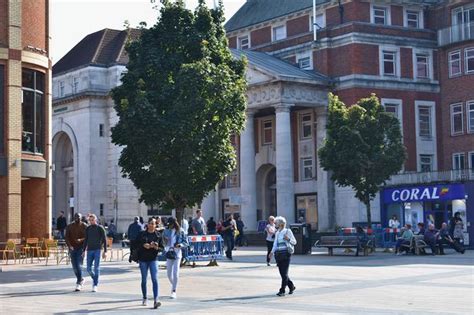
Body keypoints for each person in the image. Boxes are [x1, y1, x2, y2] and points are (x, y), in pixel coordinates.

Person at [137, 218, 163, 309]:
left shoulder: (158, 235)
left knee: (155, 279)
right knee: (144, 279)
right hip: (143, 259)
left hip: (153, 259)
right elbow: (136, 244)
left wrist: (156, 248)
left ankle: (156, 300)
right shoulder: (142, 234)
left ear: (156, 225)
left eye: (153, 223)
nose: (152, 225)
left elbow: (162, 248)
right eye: (150, 223)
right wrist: (144, 245)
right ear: (147, 224)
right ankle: (144, 297)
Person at [268, 216, 297, 297]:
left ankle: (282, 290)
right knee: (283, 274)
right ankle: (291, 286)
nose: (275, 224)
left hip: (286, 254)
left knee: (284, 274)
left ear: (281, 224)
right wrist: (271, 252)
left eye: (276, 223)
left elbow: (294, 242)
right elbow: (275, 244)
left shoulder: (287, 231)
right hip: (278, 255)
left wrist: (288, 239)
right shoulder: (277, 233)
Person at [163, 217, 188, 299]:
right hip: (169, 252)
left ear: (173, 224)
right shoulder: (166, 231)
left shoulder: (181, 231)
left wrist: (180, 245)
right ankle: (174, 284)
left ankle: (174, 290)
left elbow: (186, 242)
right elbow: (163, 241)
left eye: (170, 224)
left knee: (175, 272)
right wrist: (165, 241)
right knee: (169, 274)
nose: (168, 226)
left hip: (177, 253)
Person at [82, 214, 107, 292]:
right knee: (88, 269)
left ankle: (95, 284)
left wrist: (105, 251)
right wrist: (83, 251)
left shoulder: (100, 228)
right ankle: (95, 278)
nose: (91, 221)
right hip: (89, 250)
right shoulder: (88, 228)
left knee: (96, 268)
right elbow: (86, 240)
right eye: (90, 220)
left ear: (95, 220)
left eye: (92, 220)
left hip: (97, 250)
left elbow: (104, 240)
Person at [65, 212, 87, 291]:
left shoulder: (84, 226)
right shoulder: (69, 226)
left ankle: (79, 282)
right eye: (76, 217)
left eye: (79, 217)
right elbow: (66, 237)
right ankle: (80, 279)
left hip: (81, 248)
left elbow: (87, 237)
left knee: (79, 265)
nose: (77, 219)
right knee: (74, 267)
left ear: (81, 218)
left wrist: (81, 240)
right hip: (72, 248)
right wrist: (70, 246)